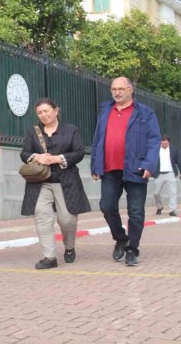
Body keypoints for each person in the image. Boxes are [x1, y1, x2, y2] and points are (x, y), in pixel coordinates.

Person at [91, 76, 161, 267]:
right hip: (110, 168)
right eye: (114, 89)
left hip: (136, 168)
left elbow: (154, 140)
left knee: (136, 212)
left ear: (131, 89)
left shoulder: (145, 112)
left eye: (121, 89)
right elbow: (98, 139)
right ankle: (121, 238)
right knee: (106, 206)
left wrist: (149, 164)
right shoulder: (105, 110)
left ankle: (132, 249)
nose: (117, 92)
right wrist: (95, 164)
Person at [20, 98, 91, 270]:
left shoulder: (71, 129)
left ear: (56, 111)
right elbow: (24, 153)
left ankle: (69, 247)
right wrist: (37, 157)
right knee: (42, 216)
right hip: (40, 182)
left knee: (67, 219)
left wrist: (58, 158)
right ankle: (49, 256)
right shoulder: (33, 131)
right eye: (40, 112)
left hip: (66, 181)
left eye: (46, 111)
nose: (43, 115)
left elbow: (79, 152)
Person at [152, 135, 181, 216]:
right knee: (156, 193)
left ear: (168, 142)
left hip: (170, 173)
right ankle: (159, 207)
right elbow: (151, 161)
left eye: (166, 143)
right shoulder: (155, 150)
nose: (164, 144)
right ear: (160, 142)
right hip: (159, 173)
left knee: (173, 192)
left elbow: (179, 161)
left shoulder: (174, 150)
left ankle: (172, 210)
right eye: (162, 143)